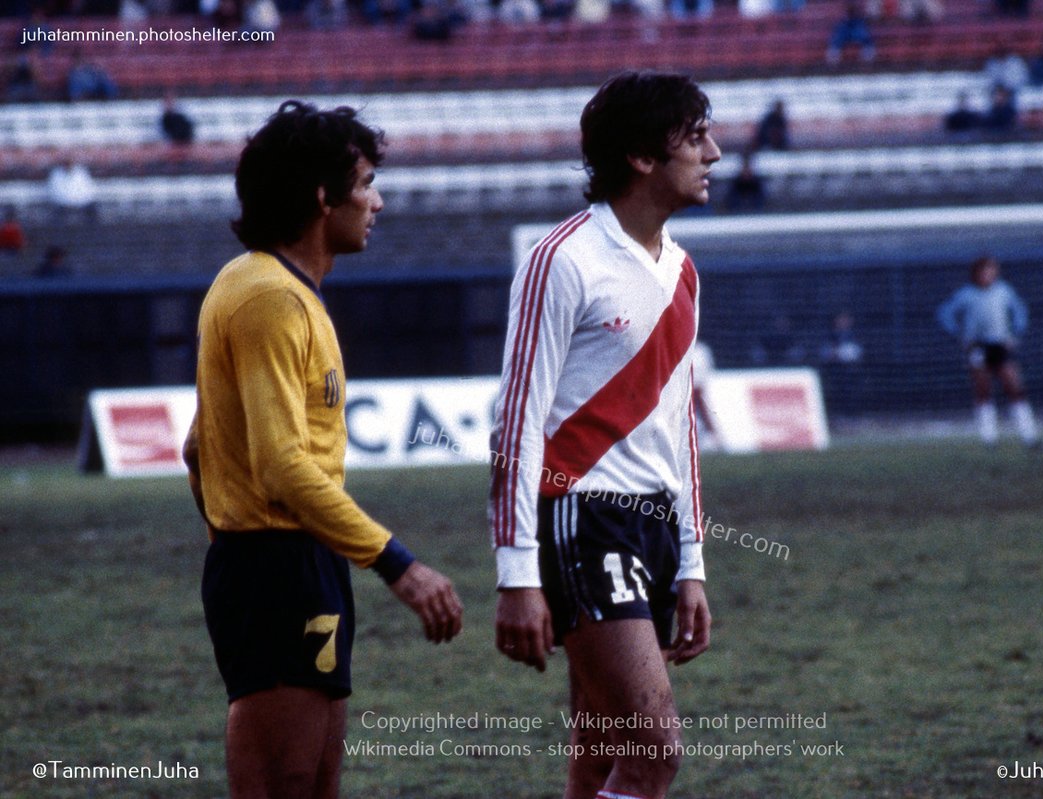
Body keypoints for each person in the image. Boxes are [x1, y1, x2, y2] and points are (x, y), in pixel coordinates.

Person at [183, 100, 464, 799]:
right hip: (277, 566)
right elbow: (281, 466)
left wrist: (231, 530)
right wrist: (399, 564)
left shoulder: (281, 292)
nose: (378, 200)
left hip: (296, 561)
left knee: (310, 786)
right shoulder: (269, 298)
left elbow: (198, 447)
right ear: (320, 195)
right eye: (365, 181)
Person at [489, 71, 718, 799]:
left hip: (652, 523)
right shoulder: (562, 260)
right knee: (654, 749)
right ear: (642, 157)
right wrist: (517, 573)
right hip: (582, 518)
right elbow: (516, 422)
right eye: (695, 138)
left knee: (599, 757)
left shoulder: (682, 270)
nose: (714, 152)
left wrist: (692, 560)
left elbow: (679, 428)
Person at [937, 255, 1041, 448]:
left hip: (1000, 345)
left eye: (991, 270)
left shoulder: (1004, 291)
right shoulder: (966, 294)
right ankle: (989, 438)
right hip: (977, 347)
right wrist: (960, 335)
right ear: (976, 273)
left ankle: (1029, 436)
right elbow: (944, 314)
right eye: (984, 271)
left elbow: (1020, 312)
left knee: (1014, 387)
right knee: (983, 388)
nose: (988, 275)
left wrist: (1015, 334)